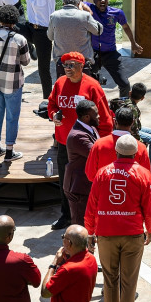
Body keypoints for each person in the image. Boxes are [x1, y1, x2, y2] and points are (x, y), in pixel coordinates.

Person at [85, 135, 151, 302]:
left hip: (106, 234)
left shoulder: (102, 173)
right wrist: (150, 230)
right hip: (133, 235)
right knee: (128, 283)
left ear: (116, 151)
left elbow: (92, 206)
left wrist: (90, 231)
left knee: (110, 279)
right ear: (136, 154)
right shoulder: (144, 174)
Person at [47, 52, 113, 231]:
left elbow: (105, 119)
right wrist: (53, 115)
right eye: (65, 65)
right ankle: (66, 216)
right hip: (63, 143)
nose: (67, 69)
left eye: (71, 65)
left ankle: (92, 218)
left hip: (87, 146)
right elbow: (51, 104)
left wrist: (104, 144)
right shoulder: (60, 83)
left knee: (88, 182)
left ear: (81, 66)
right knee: (65, 182)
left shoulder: (92, 87)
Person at [0, 4, 32, 162]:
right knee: (12, 117)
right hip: (13, 83)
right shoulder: (20, 39)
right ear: (15, 20)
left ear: (0, 19)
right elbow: (26, 61)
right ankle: (10, 151)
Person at [16, 0, 57, 98]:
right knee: (8, 22)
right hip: (29, 28)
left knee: (43, 69)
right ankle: (29, 46)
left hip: (44, 34)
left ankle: (47, 99)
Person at [86, 0, 142, 97]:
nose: (102, 0)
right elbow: (78, 3)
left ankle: (123, 107)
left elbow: (126, 27)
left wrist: (133, 43)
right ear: (93, 0)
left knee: (125, 85)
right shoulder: (90, 9)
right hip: (93, 53)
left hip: (111, 53)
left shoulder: (117, 13)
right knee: (85, 81)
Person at [109, 86, 151, 179]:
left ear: (130, 93)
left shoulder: (127, 102)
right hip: (130, 130)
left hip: (136, 128)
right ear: (142, 98)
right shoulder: (132, 108)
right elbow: (133, 130)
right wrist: (140, 141)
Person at [85, 106, 151, 181]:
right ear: (132, 122)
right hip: (132, 191)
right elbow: (146, 177)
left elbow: (90, 174)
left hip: (104, 191)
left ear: (115, 122)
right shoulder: (140, 147)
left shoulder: (99, 144)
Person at [48, 0, 102, 77]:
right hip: (82, 63)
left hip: (62, 63)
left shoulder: (54, 16)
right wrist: (89, 13)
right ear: (79, 2)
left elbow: (50, 37)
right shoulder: (85, 16)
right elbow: (98, 31)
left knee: (64, 90)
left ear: (63, 1)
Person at [64, 99, 100, 226]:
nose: (99, 115)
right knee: (81, 226)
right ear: (86, 117)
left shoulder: (90, 128)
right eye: (96, 113)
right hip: (79, 187)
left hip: (87, 185)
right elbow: (97, 155)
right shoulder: (78, 136)